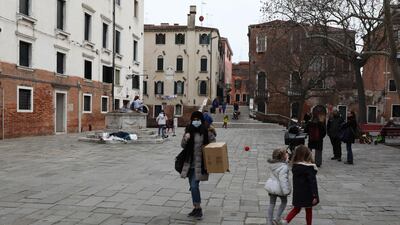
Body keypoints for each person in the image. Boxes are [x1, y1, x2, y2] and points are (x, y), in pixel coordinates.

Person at [180, 111, 211, 219]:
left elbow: (213, 145)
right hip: (189, 164)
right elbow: (183, 145)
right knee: (192, 187)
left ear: (201, 120)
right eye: (194, 119)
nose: (196, 121)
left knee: (194, 186)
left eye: (198, 119)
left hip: (200, 164)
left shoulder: (206, 131)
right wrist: (186, 138)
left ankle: (198, 209)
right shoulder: (188, 130)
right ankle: (196, 208)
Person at [280, 145, 319, 225]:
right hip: (308, 194)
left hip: (297, 193)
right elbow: (313, 183)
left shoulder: (295, 166)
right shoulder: (310, 168)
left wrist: (288, 154)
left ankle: (286, 221)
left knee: (296, 209)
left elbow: (290, 159)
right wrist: (315, 195)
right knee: (308, 210)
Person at [264, 148, 291, 225]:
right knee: (284, 202)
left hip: (272, 187)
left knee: (272, 203)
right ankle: (277, 218)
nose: (287, 155)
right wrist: (286, 191)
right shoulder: (284, 167)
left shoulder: (272, 164)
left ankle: (269, 221)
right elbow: (283, 180)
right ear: (283, 157)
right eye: (286, 154)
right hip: (280, 188)